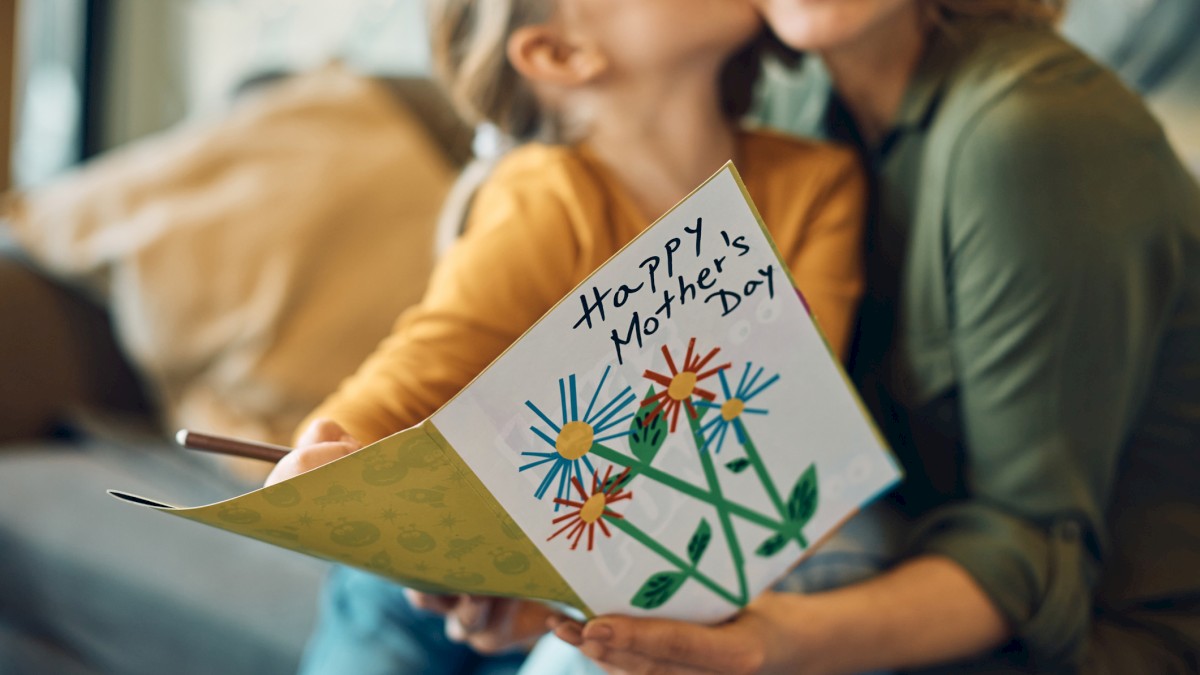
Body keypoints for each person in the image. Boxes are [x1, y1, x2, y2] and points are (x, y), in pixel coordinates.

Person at [534, 0, 1200, 673]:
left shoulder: (1032, 131)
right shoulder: (796, 107)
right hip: (886, 560)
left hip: (1083, 639)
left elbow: (1029, 555)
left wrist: (770, 640)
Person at [267, 0, 873, 673]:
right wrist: (324, 460)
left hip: (604, 591)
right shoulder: (545, 196)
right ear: (562, 55)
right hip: (420, 598)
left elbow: (788, 434)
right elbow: (401, 385)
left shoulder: (817, 186)